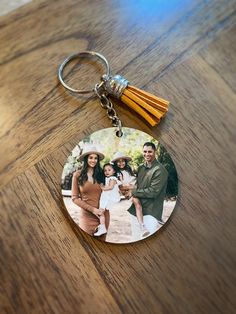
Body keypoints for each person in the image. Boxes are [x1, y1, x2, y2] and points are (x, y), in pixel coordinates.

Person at [128, 142, 168, 240]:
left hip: (151, 212)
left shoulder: (160, 170)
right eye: (145, 151)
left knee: (147, 242)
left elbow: (153, 192)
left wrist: (133, 192)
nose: (147, 154)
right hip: (136, 211)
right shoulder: (141, 167)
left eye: (150, 152)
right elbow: (136, 184)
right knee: (135, 240)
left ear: (155, 152)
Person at [71, 146, 110, 240]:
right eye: (90, 157)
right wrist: (93, 210)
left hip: (103, 216)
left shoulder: (103, 174)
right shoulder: (77, 175)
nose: (93, 160)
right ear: (86, 159)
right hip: (87, 216)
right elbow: (74, 198)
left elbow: (111, 190)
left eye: (95, 158)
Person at [112, 152, 149, 237]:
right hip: (130, 193)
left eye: (123, 161)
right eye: (118, 161)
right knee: (137, 204)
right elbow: (121, 187)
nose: (121, 163)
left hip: (136, 189)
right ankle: (142, 226)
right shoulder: (117, 173)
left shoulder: (129, 170)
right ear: (115, 163)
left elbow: (135, 181)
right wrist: (133, 188)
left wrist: (135, 186)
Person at [94, 163, 121, 236]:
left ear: (114, 171)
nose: (107, 172)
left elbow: (110, 187)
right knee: (101, 212)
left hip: (109, 197)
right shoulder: (107, 178)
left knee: (101, 211)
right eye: (105, 170)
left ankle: (102, 228)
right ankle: (102, 226)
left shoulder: (113, 179)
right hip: (106, 197)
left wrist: (102, 188)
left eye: (109, 170)